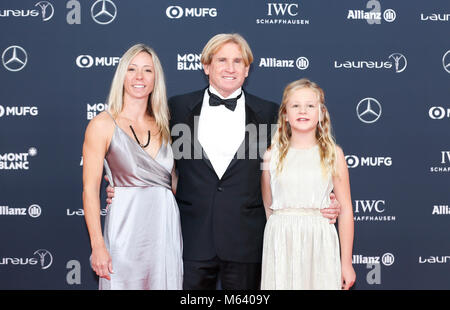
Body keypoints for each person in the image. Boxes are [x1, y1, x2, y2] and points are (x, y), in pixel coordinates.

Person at [107, 33, 341, 290]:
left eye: (238, 61)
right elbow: (152, 158)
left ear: (247, 69)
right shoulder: (176, 109)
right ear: (206, 66)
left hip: (246, 243)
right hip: (190, 238)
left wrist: (329, 197)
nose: (230, 68)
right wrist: (129, 187)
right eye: (222, 60)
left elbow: (300, 159)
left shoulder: (270, 114)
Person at [82, 43, 183, 290]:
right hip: (124, 230)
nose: (139, 77)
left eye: (147, 70)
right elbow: (89, 190)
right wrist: (98, 245)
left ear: (155, 78)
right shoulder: (102, 124)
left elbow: (173, 182)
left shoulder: (168, 124)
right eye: (132, 69)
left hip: (164, 230)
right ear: (122, 75)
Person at [260, 78, 356, 290]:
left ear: (321, 113)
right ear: (285, 114)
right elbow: (268, 204)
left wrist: (346, 263)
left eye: (310, 106)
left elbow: (346, 209)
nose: (303, 111)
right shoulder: (271, 155)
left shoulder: (334, 154)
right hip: (281, 242)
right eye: (295, 106)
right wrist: (280, 232)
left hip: (320, 240)